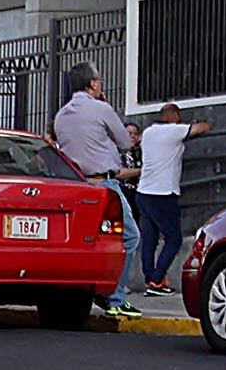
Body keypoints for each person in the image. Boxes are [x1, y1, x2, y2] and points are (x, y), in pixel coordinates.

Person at [129, 102, 197, 310]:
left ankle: (151, 278)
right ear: (175, 116)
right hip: (162, 194)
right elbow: (200, 128)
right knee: (174, 238)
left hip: (143, 193)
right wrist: (202, 125)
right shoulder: (174, 131)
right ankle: (157, 280)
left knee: (149, 238)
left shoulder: (149, 132)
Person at [51, 62, 131, 190]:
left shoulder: (61, 115)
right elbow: (125, 143)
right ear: (93, 83)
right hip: (103, 182)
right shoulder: (102, 108)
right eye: (100, 80)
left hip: (76, 183)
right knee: (124, 211)